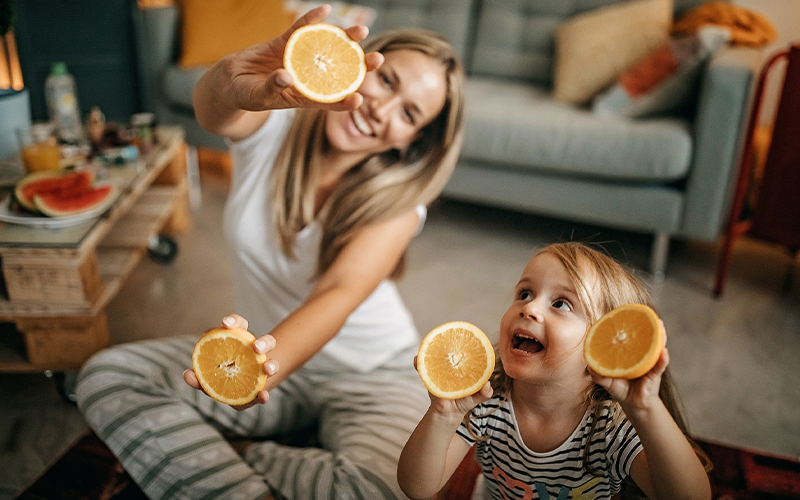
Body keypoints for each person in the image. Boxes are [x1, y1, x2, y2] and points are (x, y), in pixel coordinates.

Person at [76, 5, 465, 500]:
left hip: (368, 373)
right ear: (360, 61)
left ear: (414, 141)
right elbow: (213, 107)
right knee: (108, 377)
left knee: (379, 489)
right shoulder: (276, 124)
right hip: (274, 359)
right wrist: (234, 82)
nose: (381, 111)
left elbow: (338, 295)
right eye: (386, 81)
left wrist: (259, 370)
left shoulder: (400, 206)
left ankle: (245, 455)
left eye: (410, 114)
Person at [397, 242, 712, 500]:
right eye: (525, 293)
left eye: (561, 304)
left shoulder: (612, 427)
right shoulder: (486, 399)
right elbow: (418, 487)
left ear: (602, 344)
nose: (529, 308)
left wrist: (646, 411)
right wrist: (443, 415)